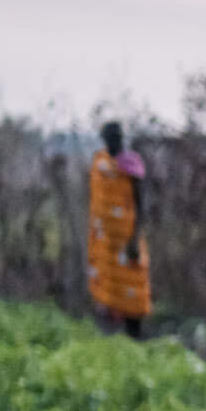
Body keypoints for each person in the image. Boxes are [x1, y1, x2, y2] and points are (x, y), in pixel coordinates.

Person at [85, 121, 151, 336]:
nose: (113, 140)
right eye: (109, 137)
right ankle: (110, 340)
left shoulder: (131, 164)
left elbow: (140, 204)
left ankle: (135, 336)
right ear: (104, 139)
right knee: (106, 287)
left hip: (127, 238)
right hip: (104, 240)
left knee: (132, 288)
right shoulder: (99, 163)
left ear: (122, 137)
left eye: (117, 136)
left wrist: (134, 238)